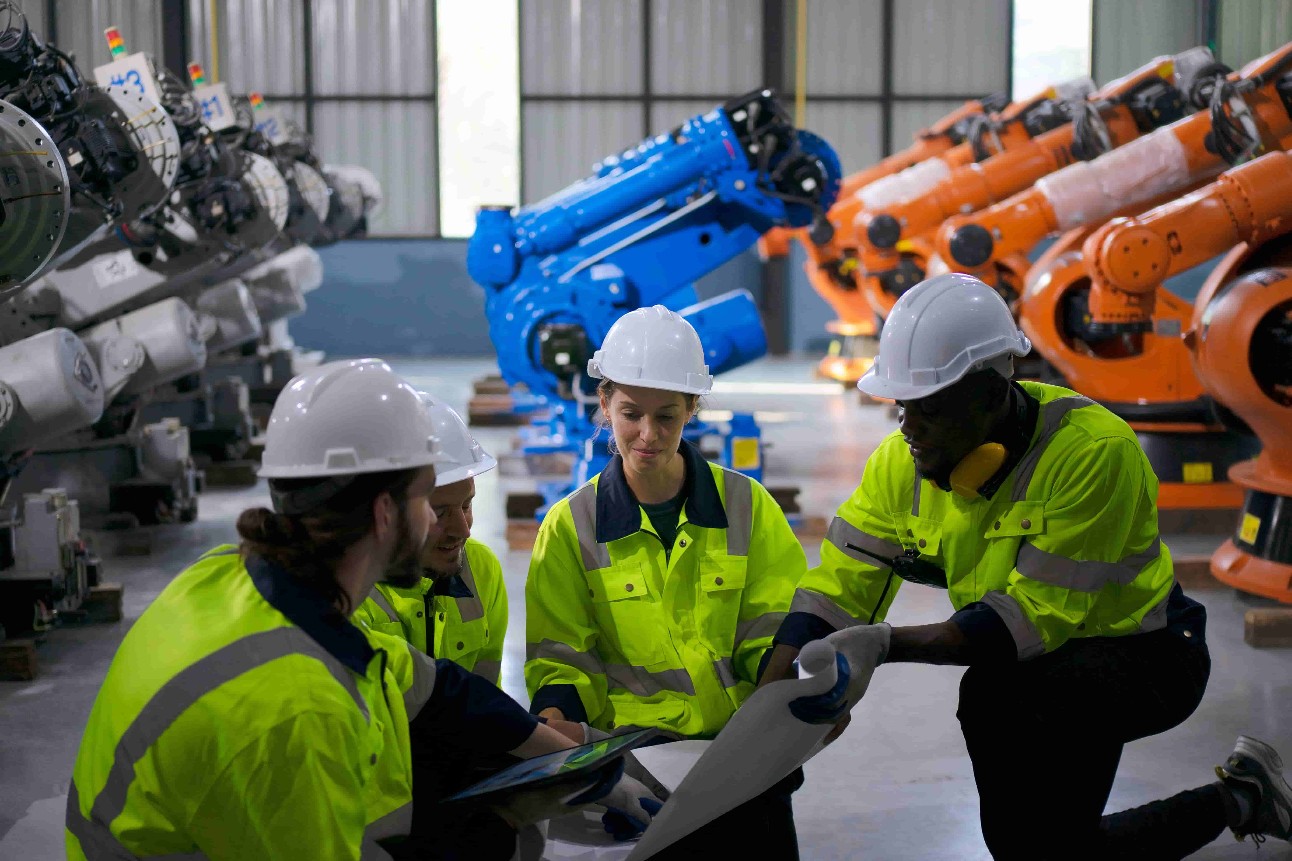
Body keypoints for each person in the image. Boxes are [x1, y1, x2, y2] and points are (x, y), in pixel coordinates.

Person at [760, 273, 1292, 860]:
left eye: (930, 409)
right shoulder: (903, 462)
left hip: (1146, 655)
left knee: (999, 708)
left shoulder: (1090, 452)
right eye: (903, 407)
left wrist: (883, 644)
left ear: (990, 393)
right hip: (1038, 666)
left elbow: (1028, 621)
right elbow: (840, 581)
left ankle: (1233, 801)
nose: (910, 429)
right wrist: (777, 682)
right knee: (1041, 845)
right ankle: (1242, 797)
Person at [66, 358, 661, 861]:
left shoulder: (233, 576)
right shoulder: (298, 710)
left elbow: (424, 682)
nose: (445, 521)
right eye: (427, 498)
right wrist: (511, 819)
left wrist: (571, 758)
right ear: (385, 513)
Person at [525, 305, 809, 858]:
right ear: (604, 404)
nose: (648, 435)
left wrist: (794, 703)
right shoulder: (569, 529)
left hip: (741, 762)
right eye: (631, 413)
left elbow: (777, 629)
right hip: (635, 771)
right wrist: (555, 732)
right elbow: (561, 659)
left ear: (692, 409)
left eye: (668, 416)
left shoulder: (749, 509)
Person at [354, 395, 508, 686]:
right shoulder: (351, 588)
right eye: (438, 512)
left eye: (466, 505)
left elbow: (488, 700)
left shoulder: (480, 569)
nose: (462, 530)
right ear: (383, 510)